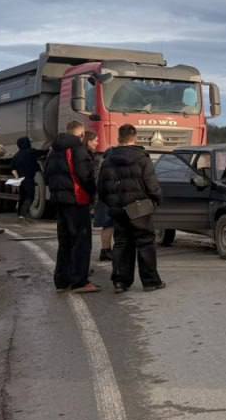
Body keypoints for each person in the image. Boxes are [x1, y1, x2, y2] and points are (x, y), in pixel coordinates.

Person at [98, 124, 164, 294]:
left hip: (118, 208)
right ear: (134, 137)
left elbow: (102, 188)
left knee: (121, 243)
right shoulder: (142, 157)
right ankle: (150, 281)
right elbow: (151, 183)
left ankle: (120, 281)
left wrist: (111, 203)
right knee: (145, 243)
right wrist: (156, 200)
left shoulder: (108, 159)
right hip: (139, 207)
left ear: (119, 137)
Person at [44, 120, 99, 293]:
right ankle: (79, 281)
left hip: (59, 200)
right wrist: (92, 193)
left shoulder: (54, 150)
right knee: (81, 241)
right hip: (77, 199)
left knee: (65, 241)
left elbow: (47, 174)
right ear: (81, 134)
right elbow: (85, 175)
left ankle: (62, 280)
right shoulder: (77, 149)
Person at [86, 130, 115, 263]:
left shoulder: (99, 163)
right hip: (106, 199)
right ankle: (106, 250)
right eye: (95, 140)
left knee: (107, 225)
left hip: (102, 199)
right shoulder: (107, 167)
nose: (97, 143)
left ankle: (105, 250)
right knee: (109, 225)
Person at [12, 137, 41, 220]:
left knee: (22, 197)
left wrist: (16, 179)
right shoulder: (31, 152)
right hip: (29, 178)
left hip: (20, 179)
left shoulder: (16, 155)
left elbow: (13, 168)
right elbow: (42, 152)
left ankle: (19, 214)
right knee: (29, 197)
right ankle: (23, 214)